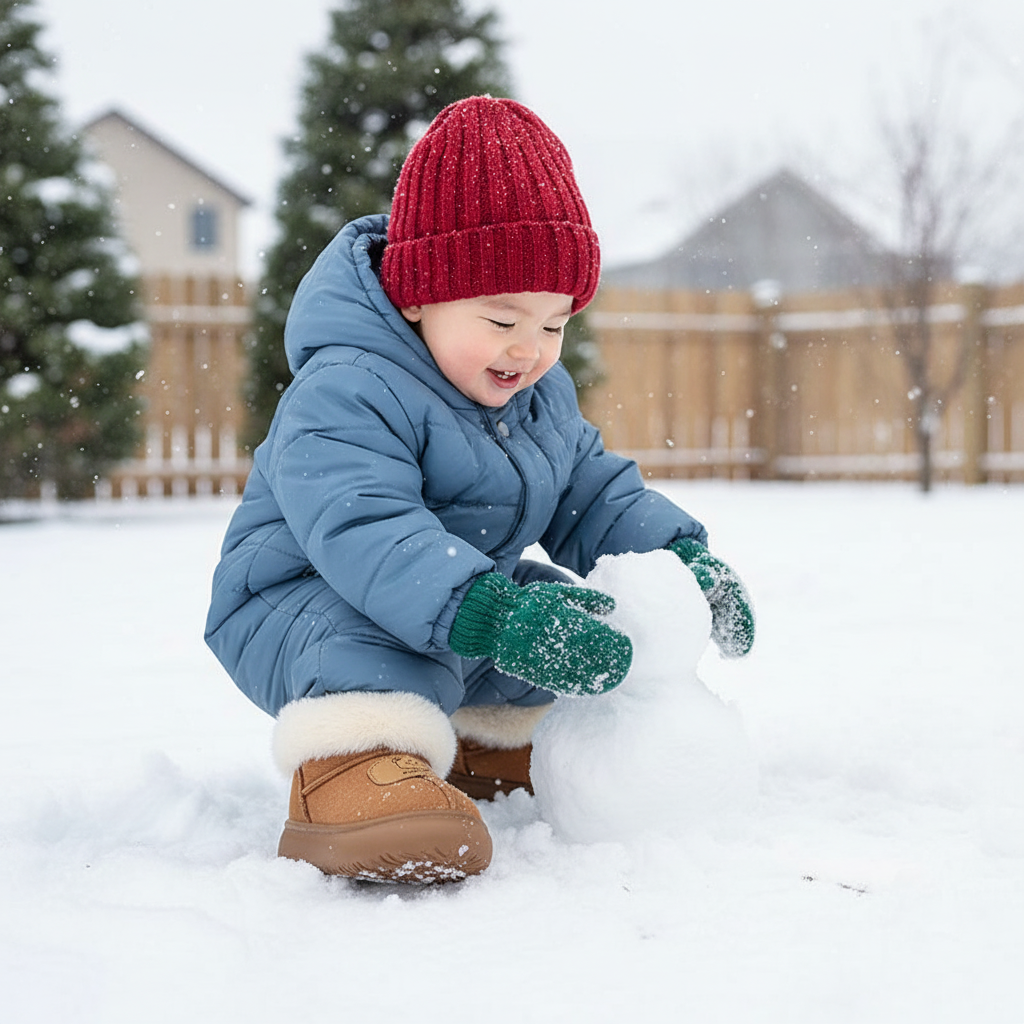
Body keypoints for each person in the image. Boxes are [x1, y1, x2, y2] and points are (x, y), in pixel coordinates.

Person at [204, 96, 754, 883]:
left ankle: (489, 750)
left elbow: (592, 493)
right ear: (422, 294)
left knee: (568, 613)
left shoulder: (537, 400)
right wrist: (491, 614)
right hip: (303, 599)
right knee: (383, 637)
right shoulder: (347, 388)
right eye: (503, 320)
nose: (530, 349)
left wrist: (681, 565)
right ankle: (352, 770)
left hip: (452, 600)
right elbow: (367, 529)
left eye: (555, 324)